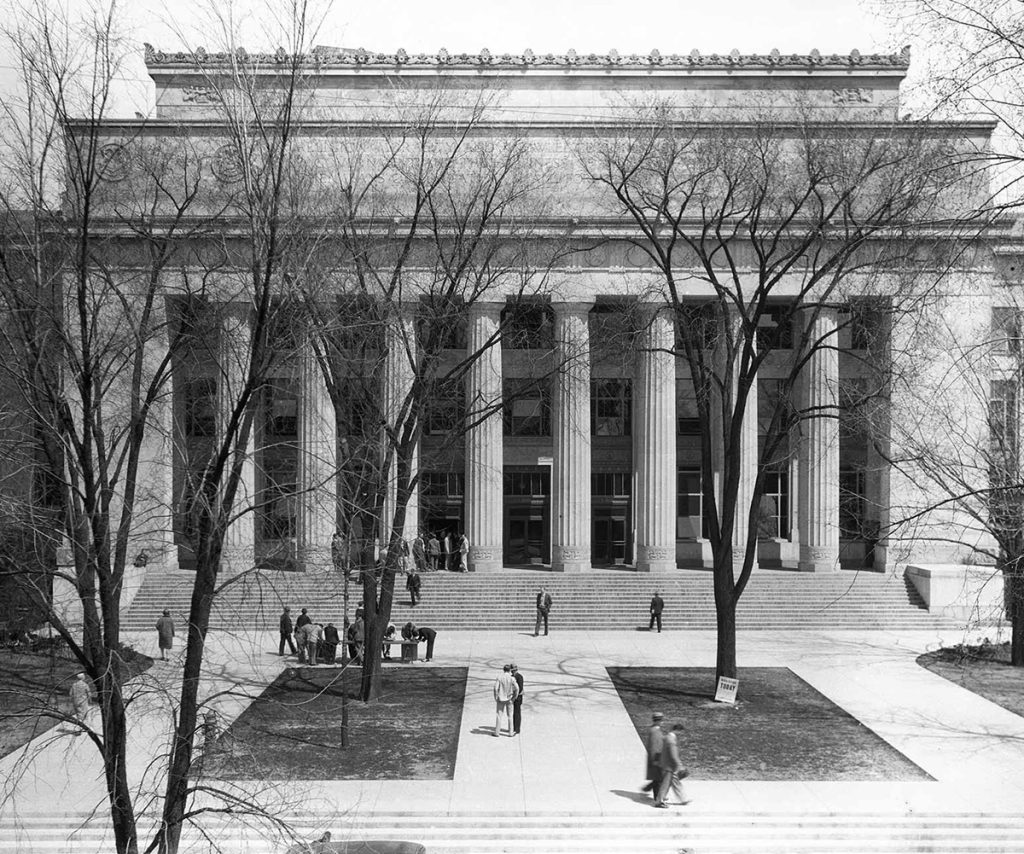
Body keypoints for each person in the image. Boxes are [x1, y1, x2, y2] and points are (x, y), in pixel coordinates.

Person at [655, 723, 690, 808]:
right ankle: (659, 801)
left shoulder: (667, 737)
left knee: (675, 782)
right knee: (665, 785)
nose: (681, 735)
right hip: (669, 766)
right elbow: (673, 755)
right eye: (681, 732)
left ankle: (682, 799)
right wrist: (680, 766)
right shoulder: (671, 741)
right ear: (678, 731)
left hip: (666, 764)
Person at [641, 712, 665, 796]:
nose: (662, 722)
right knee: (658, 779)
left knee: (658, 778)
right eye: (661, 720)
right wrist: (655, 760)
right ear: (658, 721)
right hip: (656, 758)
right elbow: (654, 747)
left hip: (657, 757)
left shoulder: (655, 729)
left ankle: (650, 788)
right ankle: (658, 799)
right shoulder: (655, 731)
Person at [493, 663, 519, 737]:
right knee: (510, 716)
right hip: (509, 699)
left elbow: (495, 688)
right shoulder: (512, 678)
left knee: (499, 716)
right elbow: (517, 688)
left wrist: (496, 697)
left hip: (501, 699)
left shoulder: (499, 677)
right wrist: (514, 697)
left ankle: (497, 732)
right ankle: (510, 732)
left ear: (503, 670)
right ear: (510, 670)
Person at [511, 663, 524, 735]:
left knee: (517, 713)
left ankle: (517, 729)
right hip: (513, 697)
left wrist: (514, 693)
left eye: (513, 671)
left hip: (518, 697)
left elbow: (520, 688)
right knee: (514, 713)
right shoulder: (511, 677)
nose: (512, 672)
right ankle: (514, 727)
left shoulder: (519, 677)